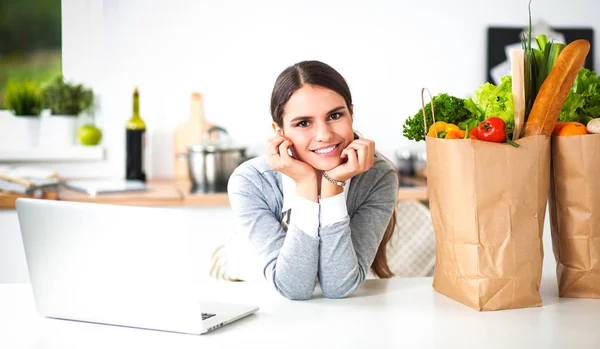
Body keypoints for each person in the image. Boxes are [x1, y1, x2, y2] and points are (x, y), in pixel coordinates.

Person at [227, 60, 398, 300]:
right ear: (280, 132)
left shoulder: (378, 177)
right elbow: (292, 288)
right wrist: (306, 185)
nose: (324, 135)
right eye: (303, 123)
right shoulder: (251, 181)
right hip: (250, 295)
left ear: (351, 113)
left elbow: (340, 286)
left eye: (335, 115)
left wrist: (332, 186)